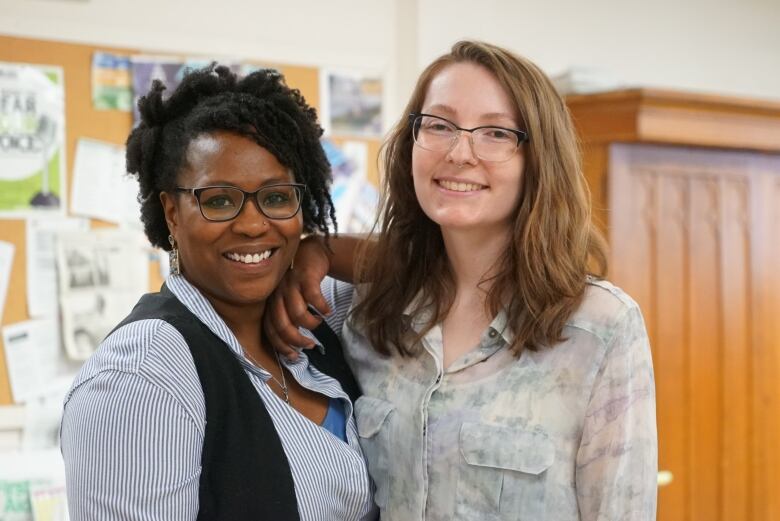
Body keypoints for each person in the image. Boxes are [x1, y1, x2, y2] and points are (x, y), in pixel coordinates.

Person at [267, 41, 658, 521]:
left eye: (495, 133)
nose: (459, 152)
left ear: (538, 159)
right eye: (439, 125)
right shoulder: (367, 309)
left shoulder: (599, 328)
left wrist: (320, 249)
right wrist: (315, 247)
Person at [60, 65, 376, 521]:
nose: (252, 224)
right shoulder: (144, 372)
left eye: (276, 197)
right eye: (220, 200)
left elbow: (444, 269)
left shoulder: (315, 311)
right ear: (172, 213)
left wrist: (324, 249)